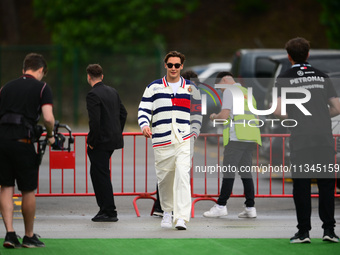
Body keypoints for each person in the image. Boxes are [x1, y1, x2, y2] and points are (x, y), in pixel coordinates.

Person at [273, 37, 340, 243]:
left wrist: (296, 117)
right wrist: (319, 116)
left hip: (301, 139)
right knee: (326, 185)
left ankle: (303, 232)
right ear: (308, 54)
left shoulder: (284, 77)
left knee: (301, 185)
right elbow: (337, 108)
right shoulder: (322, 76)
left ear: (289, 56)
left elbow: (277, 110)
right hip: (324, 139)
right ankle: (329, 231)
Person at [138, 51, 200, 230]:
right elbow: (143, 109)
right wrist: (144, 125)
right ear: (165, 65)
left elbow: (197, 113)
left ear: (182, 67)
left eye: (177, 65)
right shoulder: (153, 87)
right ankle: (167, 212)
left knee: (182, 175)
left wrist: (194, 132)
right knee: (165, 179)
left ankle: (181, 218)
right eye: (170, 65)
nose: (174, 68)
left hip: (184, 140)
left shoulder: (191, 88)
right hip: (161, 139)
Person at [0, 53, 55, 248]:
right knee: (27, 189)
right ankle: (29, 235)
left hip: (2, 142)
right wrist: (50, 135)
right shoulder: (42, 87)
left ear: (24, 69)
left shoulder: (6, 87)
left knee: (6, 187)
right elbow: (48, 118)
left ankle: (9, 234)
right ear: (40, 70)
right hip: (23, 142)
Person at [203, 71, 261, 219]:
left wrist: (214, 116)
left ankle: (221, 206)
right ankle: (250, 207)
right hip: (250, 137)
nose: (221, 91)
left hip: (237, 137)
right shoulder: (247, 92)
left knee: (228, 172)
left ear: (223, 81)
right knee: (245, 173)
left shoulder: (230, 91)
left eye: (220, 88)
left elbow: (223, 116)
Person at [151, 69, 202, 218]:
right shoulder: (190, 93)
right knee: (180, 173)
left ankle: (161, 207)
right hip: (182, 138)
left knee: (167, 172)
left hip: (170, 137)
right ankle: (172, 209)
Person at [86, 64, 127, 222]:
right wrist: (116, 131)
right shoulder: (112, 91)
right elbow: (123, 113)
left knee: (100, 174)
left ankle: (108, 210)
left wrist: (92, 141)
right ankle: (106, 209)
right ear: (102, 76)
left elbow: (94, 121)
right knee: (99, 173)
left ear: (89, 77)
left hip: (100, 142)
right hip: (112, 140)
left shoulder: (93, 95)